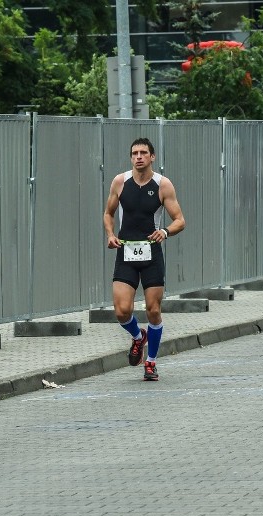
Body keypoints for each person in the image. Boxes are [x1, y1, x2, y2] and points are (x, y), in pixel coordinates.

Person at [103, 138, 185, 381]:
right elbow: (108, 213)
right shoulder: (120, 182)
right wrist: (110, 234)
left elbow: (180, 219)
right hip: (126, 251)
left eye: (143, 153)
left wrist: (166, 231)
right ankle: (139, 338)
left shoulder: (163, 185)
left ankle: (150, 362)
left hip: (151, 253)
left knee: (153, 310)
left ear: (152, 157)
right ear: (131, 158)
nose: (139, 157)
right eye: (134, 153)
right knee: (121, 310)